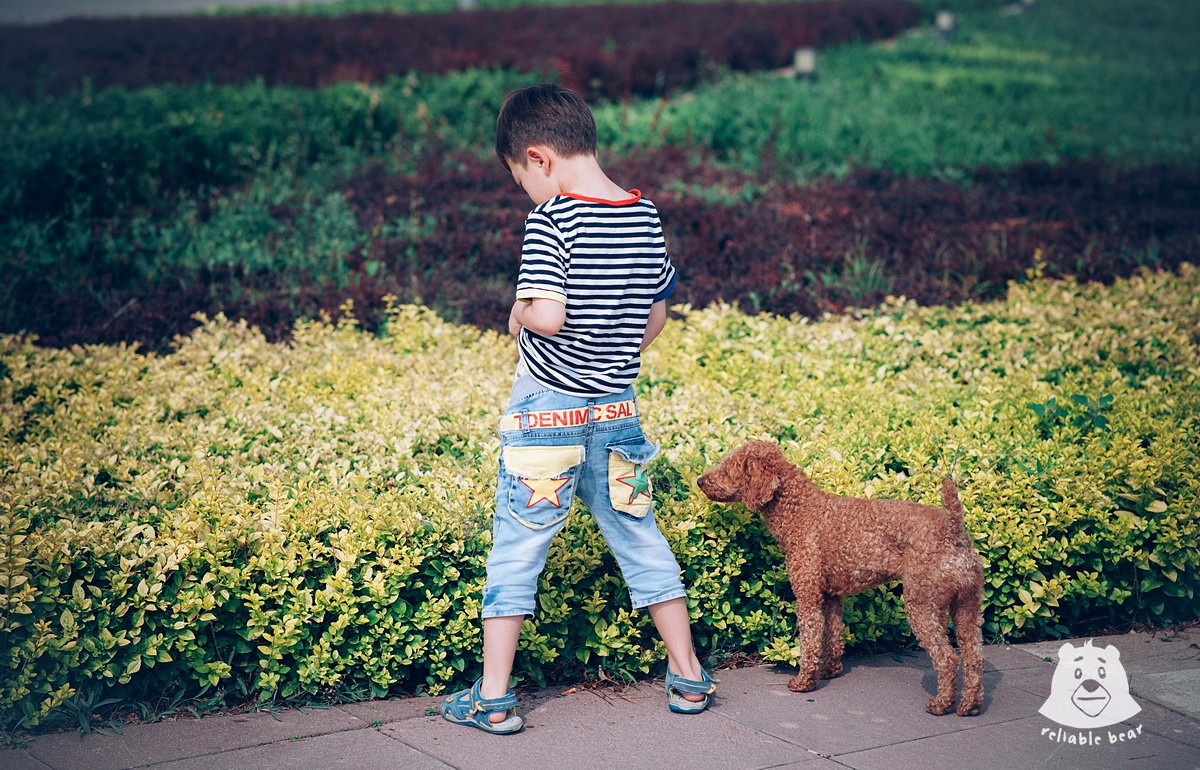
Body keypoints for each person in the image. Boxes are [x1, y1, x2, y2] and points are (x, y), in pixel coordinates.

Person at [439, 83, 715, 735]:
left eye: (519, 178)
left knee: (517, 548)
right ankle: (689, 675)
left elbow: (550, 312)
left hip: (546, 418)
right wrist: (613, 352)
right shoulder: (643, 214)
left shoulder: (552, 220)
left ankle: (494, 698)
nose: (525, 193)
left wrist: (516, 316)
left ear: (538, 158)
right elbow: (656, 317)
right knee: (639, 535)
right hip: (617, 411)